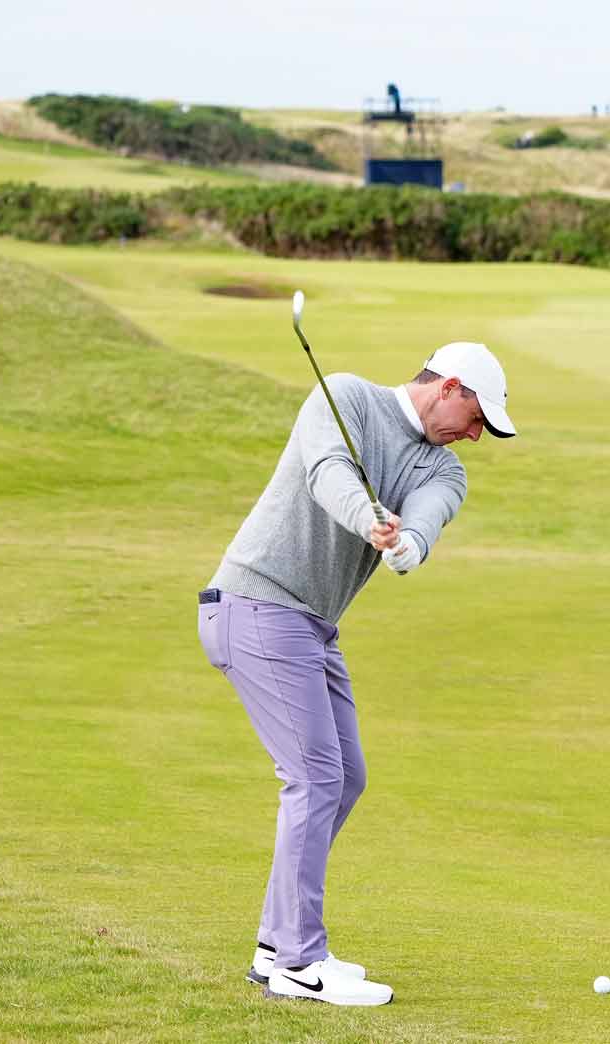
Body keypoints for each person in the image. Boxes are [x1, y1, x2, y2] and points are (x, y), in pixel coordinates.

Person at [198, 342, 517, 1006]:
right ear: (450, 387)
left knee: (347, 778)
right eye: (478, 414)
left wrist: (406, 543)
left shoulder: (446, 469)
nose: (477, 432)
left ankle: (275, 943)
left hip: (312, 624)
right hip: (257, 602)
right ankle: (299, 962)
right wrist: (366, 517)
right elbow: (327, 471)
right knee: (315, 777)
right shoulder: (344, 397)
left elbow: (426, 521)